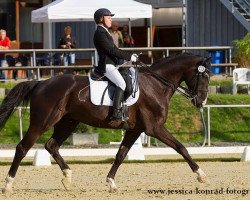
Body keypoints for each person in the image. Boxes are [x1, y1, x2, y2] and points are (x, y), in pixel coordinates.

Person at [93, 8, 138, 119]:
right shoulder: (100, 32)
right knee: (121, 84)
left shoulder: (104, 31)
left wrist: (128, 56)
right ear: (101, 19)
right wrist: (129, 56)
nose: (111, 20)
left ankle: (122, 106)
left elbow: (115, 49)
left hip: (112, 63)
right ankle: (116, 113)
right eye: (108, 18)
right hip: (106, 65)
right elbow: (112, 50)